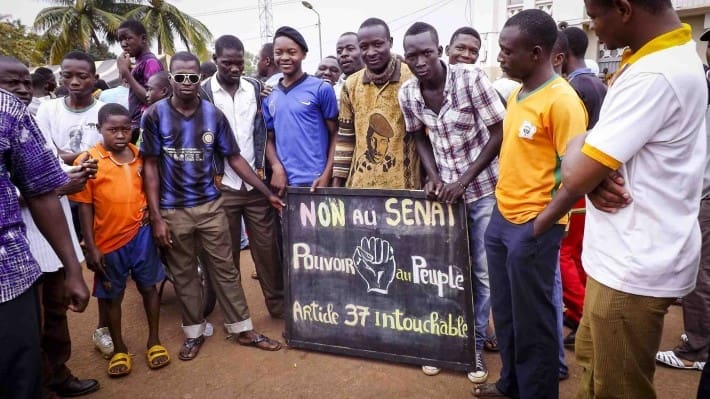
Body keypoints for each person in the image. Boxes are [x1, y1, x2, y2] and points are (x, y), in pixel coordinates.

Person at [559, 1, 706, 397]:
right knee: (593, 371)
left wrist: (577, 147)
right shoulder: (655, 61)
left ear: (624, 9)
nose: (592, 25)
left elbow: (574, 173)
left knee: (618, 388)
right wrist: (590, 166)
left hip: (632, 267)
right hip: (621, 258)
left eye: (595, 15)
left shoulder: (656, 74)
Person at [141, 51, 284, 361]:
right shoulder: (154, 115)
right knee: (184, 274)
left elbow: (234, 157)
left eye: (193, 77)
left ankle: (242, 329)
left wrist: (264, 191)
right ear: (171, 78)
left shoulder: (212, 114)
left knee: (226, 269)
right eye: (180, 77)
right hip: (172, 210)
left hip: (209, 206)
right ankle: (194, 333)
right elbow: (149, 167)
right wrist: (156, 217)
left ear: (199, 78)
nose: (187, 83)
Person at [475, 9, 588, 398]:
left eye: (507, 51)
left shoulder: (563, 102)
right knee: (506, 315)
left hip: (534, 228)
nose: (500, 57)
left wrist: (539, 226)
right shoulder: (519, 94)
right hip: (502, 220)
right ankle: (510, 384)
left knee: (534, 323)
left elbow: (575, 178)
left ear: (537, 53)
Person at [398, 22, 505, 383]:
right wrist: (436, 178)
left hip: (484, 192)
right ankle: (444, 342)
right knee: (443, 271)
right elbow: (418, 138)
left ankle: (473, 345)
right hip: (446, 198)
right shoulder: (409, 93)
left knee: (481, 272)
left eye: (426, 52)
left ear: (440, 49)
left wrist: (464, 180)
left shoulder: (470, 80)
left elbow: (498, 132)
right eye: (412, 55)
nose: (420, 61)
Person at [0, 58, 91, 399]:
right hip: (30, 239)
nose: (22, 89)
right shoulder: (45, 114)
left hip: (21, 257)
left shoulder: (14, 117)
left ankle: (55, 375)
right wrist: (62, 185)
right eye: (12, 83)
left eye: (26, 83)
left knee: (50, 317)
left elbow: (40, 184)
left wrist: (69, 173)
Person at [71, 103, 169, 378]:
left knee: (149, 288)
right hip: (107, 241)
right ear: (100, 129)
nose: (120, 135)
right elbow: (85, 207)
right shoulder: (89, 161)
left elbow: (149, 190)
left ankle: (154, 341)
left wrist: (153, 213)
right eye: (112, 130)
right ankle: (119, 349)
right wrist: (90, 247)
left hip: (140, 236)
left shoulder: (139, 156)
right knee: (113, 296)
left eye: (126, 129)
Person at [200, 34, 285, 319]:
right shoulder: (202, 93)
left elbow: (266, 131)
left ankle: (277, 306)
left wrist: (273, 169)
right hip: (221, 185)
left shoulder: (256, 88)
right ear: (216, 61)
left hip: (257, 183)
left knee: (267, 251)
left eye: (239, 63)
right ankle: (235, 316)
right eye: (227, 64)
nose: (234, 69)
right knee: (226, 257)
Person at [654, 27, 710, 374]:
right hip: (697, 188)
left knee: (699, 271)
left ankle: (698, 349)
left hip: (704, 192)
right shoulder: (702, 80)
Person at [557, 26, 608, 349]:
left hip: (576, 184)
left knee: (563, 255)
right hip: (591, 183)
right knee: (576, 254)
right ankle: (584, 311)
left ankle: (581, 315)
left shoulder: (575, 88)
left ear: (561, 54)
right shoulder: (597, 83)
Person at [331, 17, 420, 190]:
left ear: (390, 42)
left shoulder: (412, 78)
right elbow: (345, 138)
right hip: (360, 188)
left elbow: (426, 135)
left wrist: (431, 178)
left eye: (378, 44)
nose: (371, 52)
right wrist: (337, 184)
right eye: (364, 47)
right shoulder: (351, 85)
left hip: (405, 189)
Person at [263, 26, 339, 194]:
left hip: (316, 182)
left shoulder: (321, 89)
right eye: (278, 52)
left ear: (304, 54)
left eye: (291, 52)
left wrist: (327, 174)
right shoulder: (269, 94)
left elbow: (335, 134)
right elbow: (267, 137)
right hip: (284, 184)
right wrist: (276, 168)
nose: (284, 57)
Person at [116, 19, 164, 143]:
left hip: (147, 127)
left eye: (127, 38)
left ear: (143, 39)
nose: (123, 44)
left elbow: (153, 99)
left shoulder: (150, 62)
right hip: (138, 125)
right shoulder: (139, 62)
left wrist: (126, 73)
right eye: (120, 40)